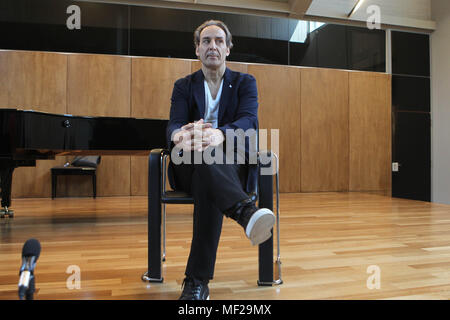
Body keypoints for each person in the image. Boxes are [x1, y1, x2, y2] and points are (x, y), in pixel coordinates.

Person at [166, 20, 275, 300]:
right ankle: (245, 212)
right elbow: (174, 124)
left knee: (209, 169)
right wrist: (180, 135)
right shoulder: (183, 86)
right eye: (205, 41)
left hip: (231, 170)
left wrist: (220, 134)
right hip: (187, 167)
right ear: (197, 50)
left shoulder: (245, 83)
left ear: (228, 49)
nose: (212, 46)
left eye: (218, 41)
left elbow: (249, 122)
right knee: (203, 160)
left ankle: (196, 283)